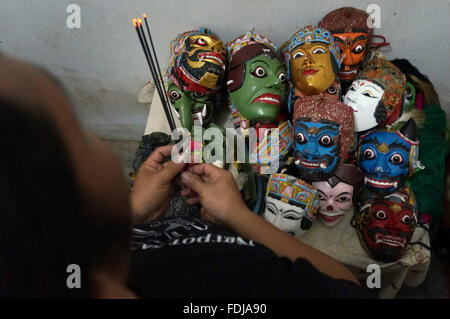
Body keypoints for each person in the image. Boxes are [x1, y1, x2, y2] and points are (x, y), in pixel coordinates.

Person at [0, 54, 370, 299]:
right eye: (76, 132)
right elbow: (344, 288)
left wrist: (131, 216)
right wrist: (238, 215)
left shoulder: (79, 259)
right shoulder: (226, 280)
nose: (96, 138)